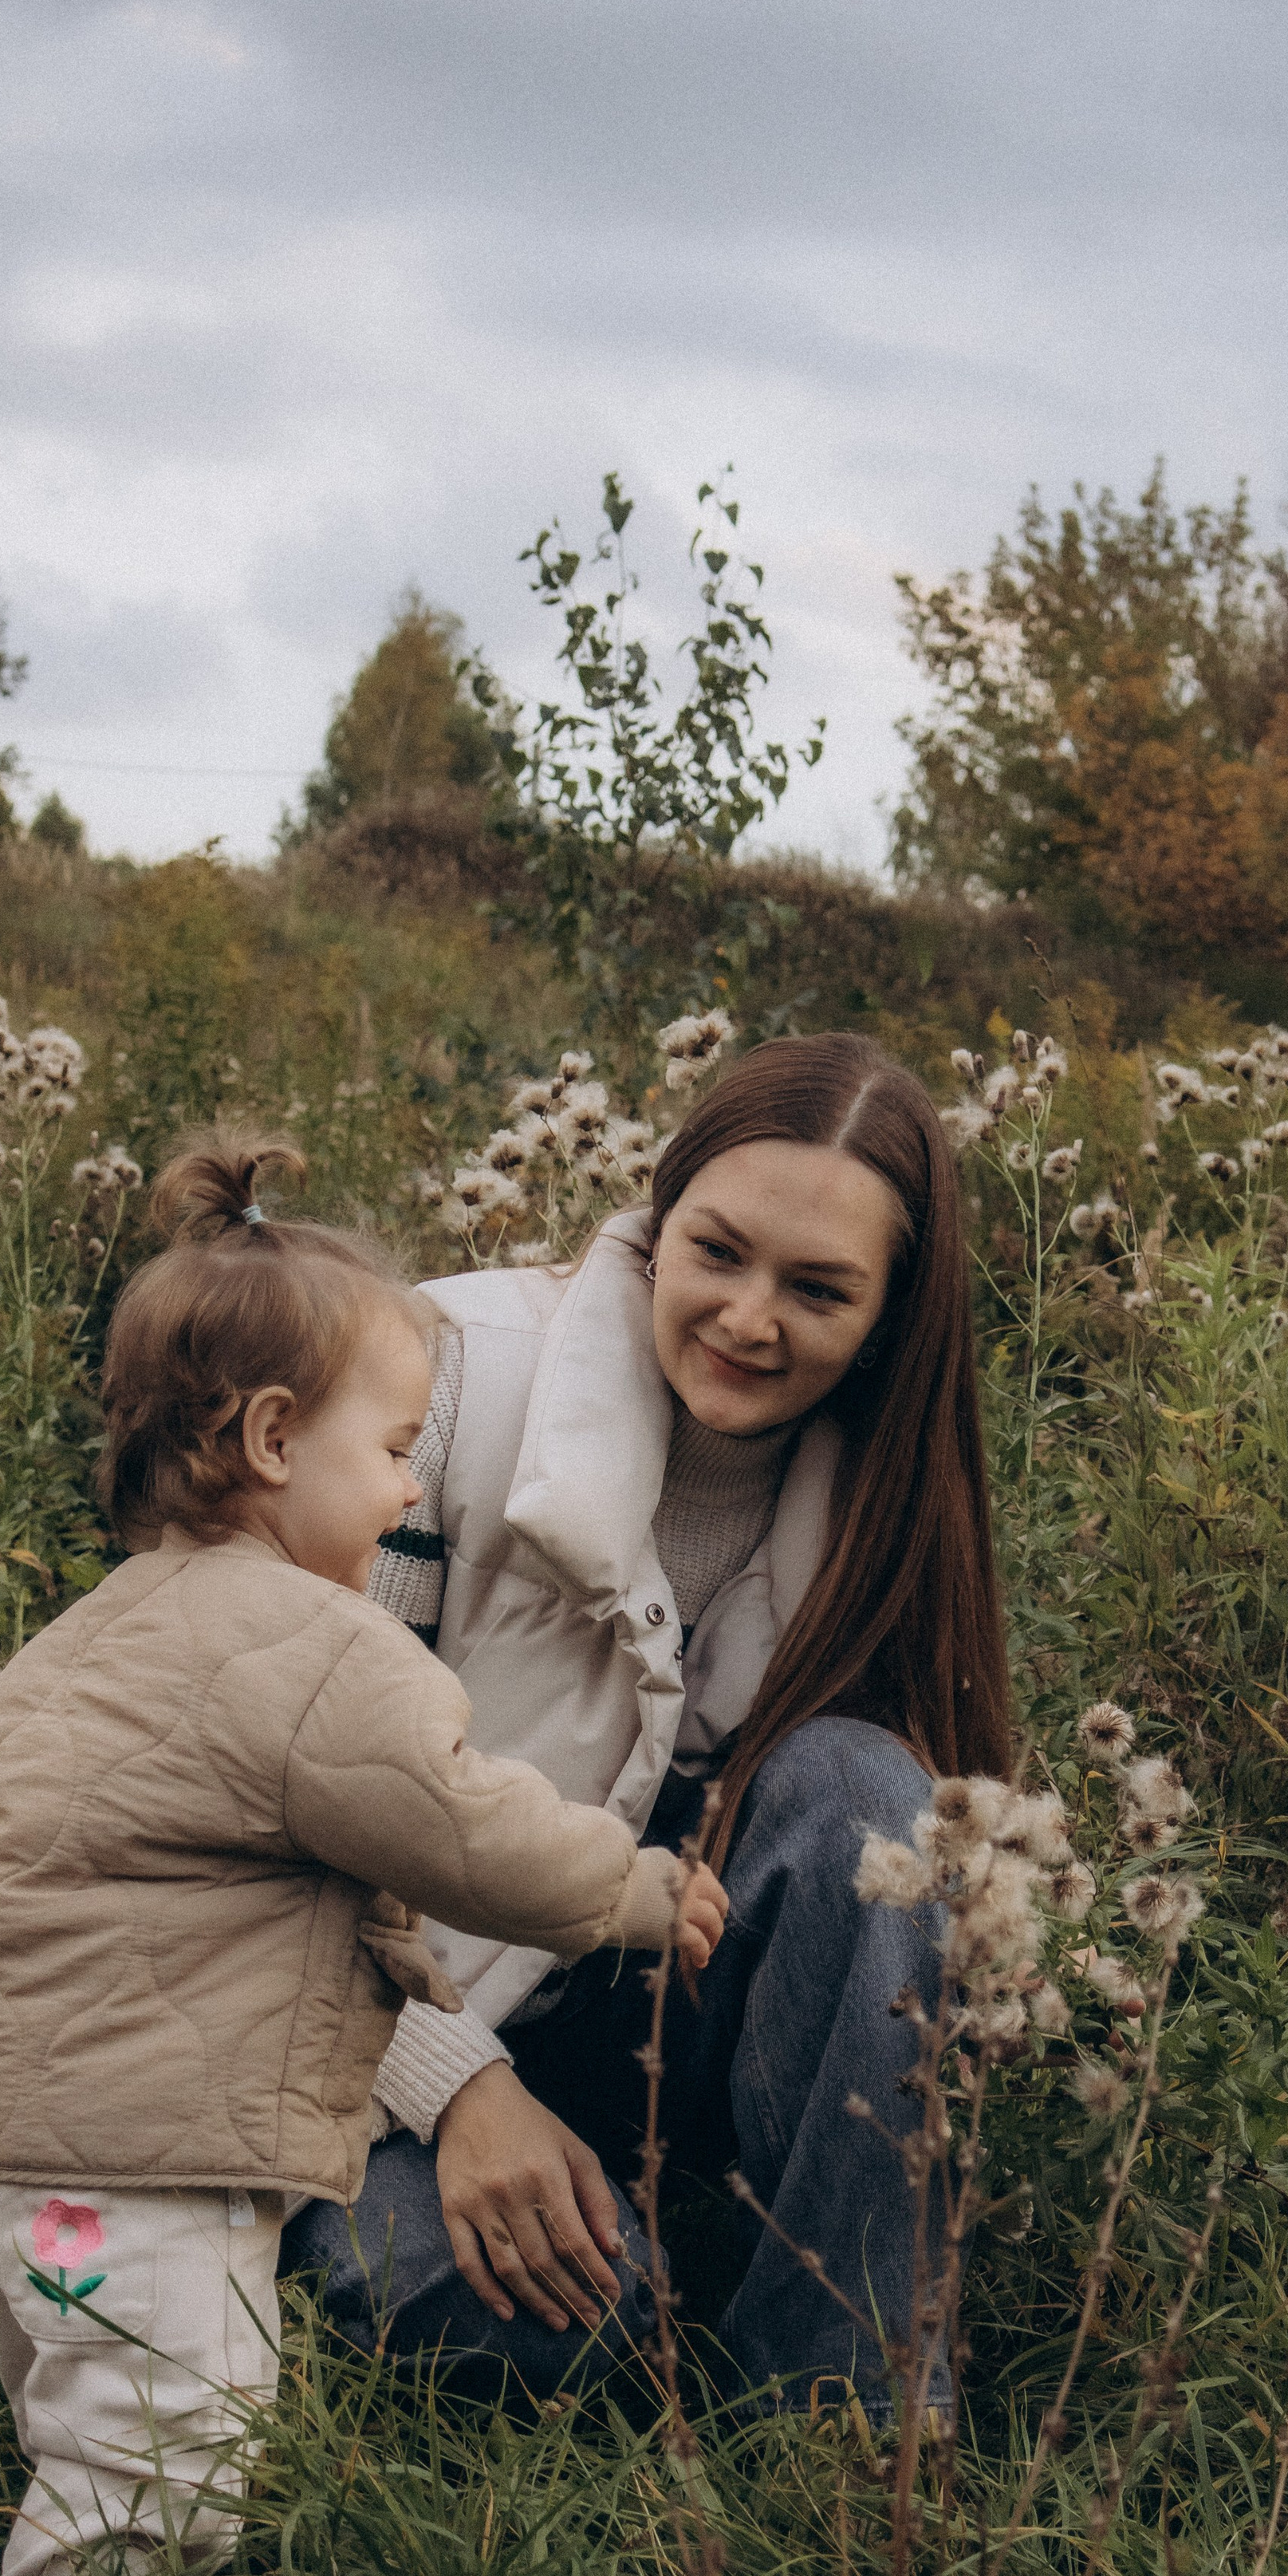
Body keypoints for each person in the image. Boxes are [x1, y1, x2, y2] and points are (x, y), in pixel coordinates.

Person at [0, 1134, 725, 2576]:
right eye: (394, 1451)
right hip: (151, 2175)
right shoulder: (316, 1647)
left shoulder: (71, 1650)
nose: (405, 1488)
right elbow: (459, 1824)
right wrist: (631, 1886)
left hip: (6, 2172)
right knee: (164, 2467)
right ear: (278, 1443)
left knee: (89, 2437)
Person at [284, 1032, 1014, 2418]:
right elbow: (278, 1801)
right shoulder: (437, 1379)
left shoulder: (888, 1489)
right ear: (653, 1219)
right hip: (363, 2008)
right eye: (719, 1252)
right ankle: (612, 2270)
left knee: (871, 1786)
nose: (750, 1318)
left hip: (638, 1993)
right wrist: (459, 2091)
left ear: (888, 1319)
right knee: (553, 2323)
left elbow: (848, 1914)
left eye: (818, 1290)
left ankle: (846, 2419)